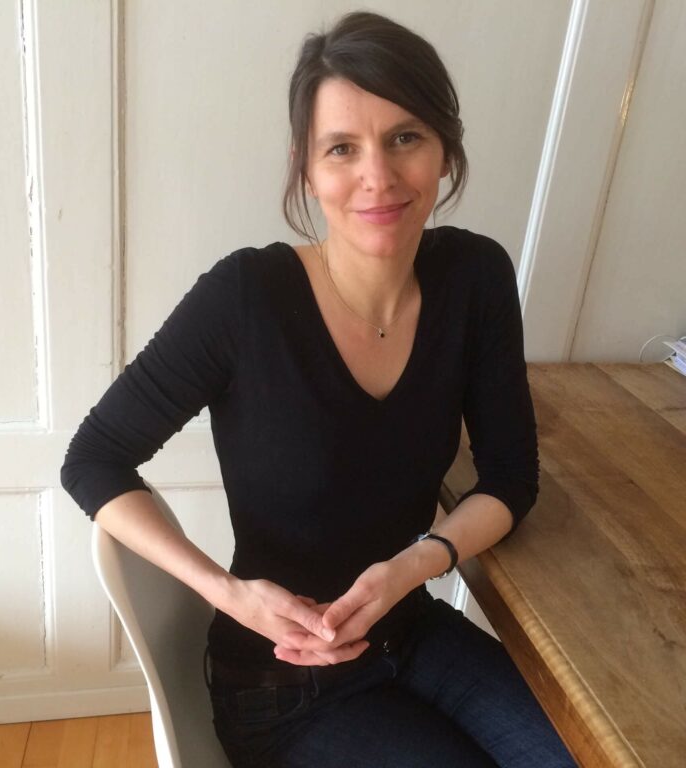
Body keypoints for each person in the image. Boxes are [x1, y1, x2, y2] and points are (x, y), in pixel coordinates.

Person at [61, 10, 578, 768]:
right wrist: (230, 595)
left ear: (445, 149)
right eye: (342, 148)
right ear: (307, 168)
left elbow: (510, 477)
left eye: (405, 137)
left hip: (412, 626)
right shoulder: (245, 298)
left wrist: (417, 564)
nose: (378, 176)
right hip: (282, 683)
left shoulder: (476, 279)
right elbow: (93, 459)